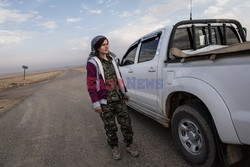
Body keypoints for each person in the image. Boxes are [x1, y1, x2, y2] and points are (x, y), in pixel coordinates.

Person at [86, 35, 139, 160]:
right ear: (97, 47)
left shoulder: (113, 60)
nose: (106, 46)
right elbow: (91, 85)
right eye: (103, 44)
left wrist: (124, 92)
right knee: (110, 127)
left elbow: (119, 77)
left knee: (126, 124)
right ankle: (114, 147)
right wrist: (96, 103)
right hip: (105, 102)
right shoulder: (93, 63)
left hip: (119, 99)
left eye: (107, 43)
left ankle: (129, 145)